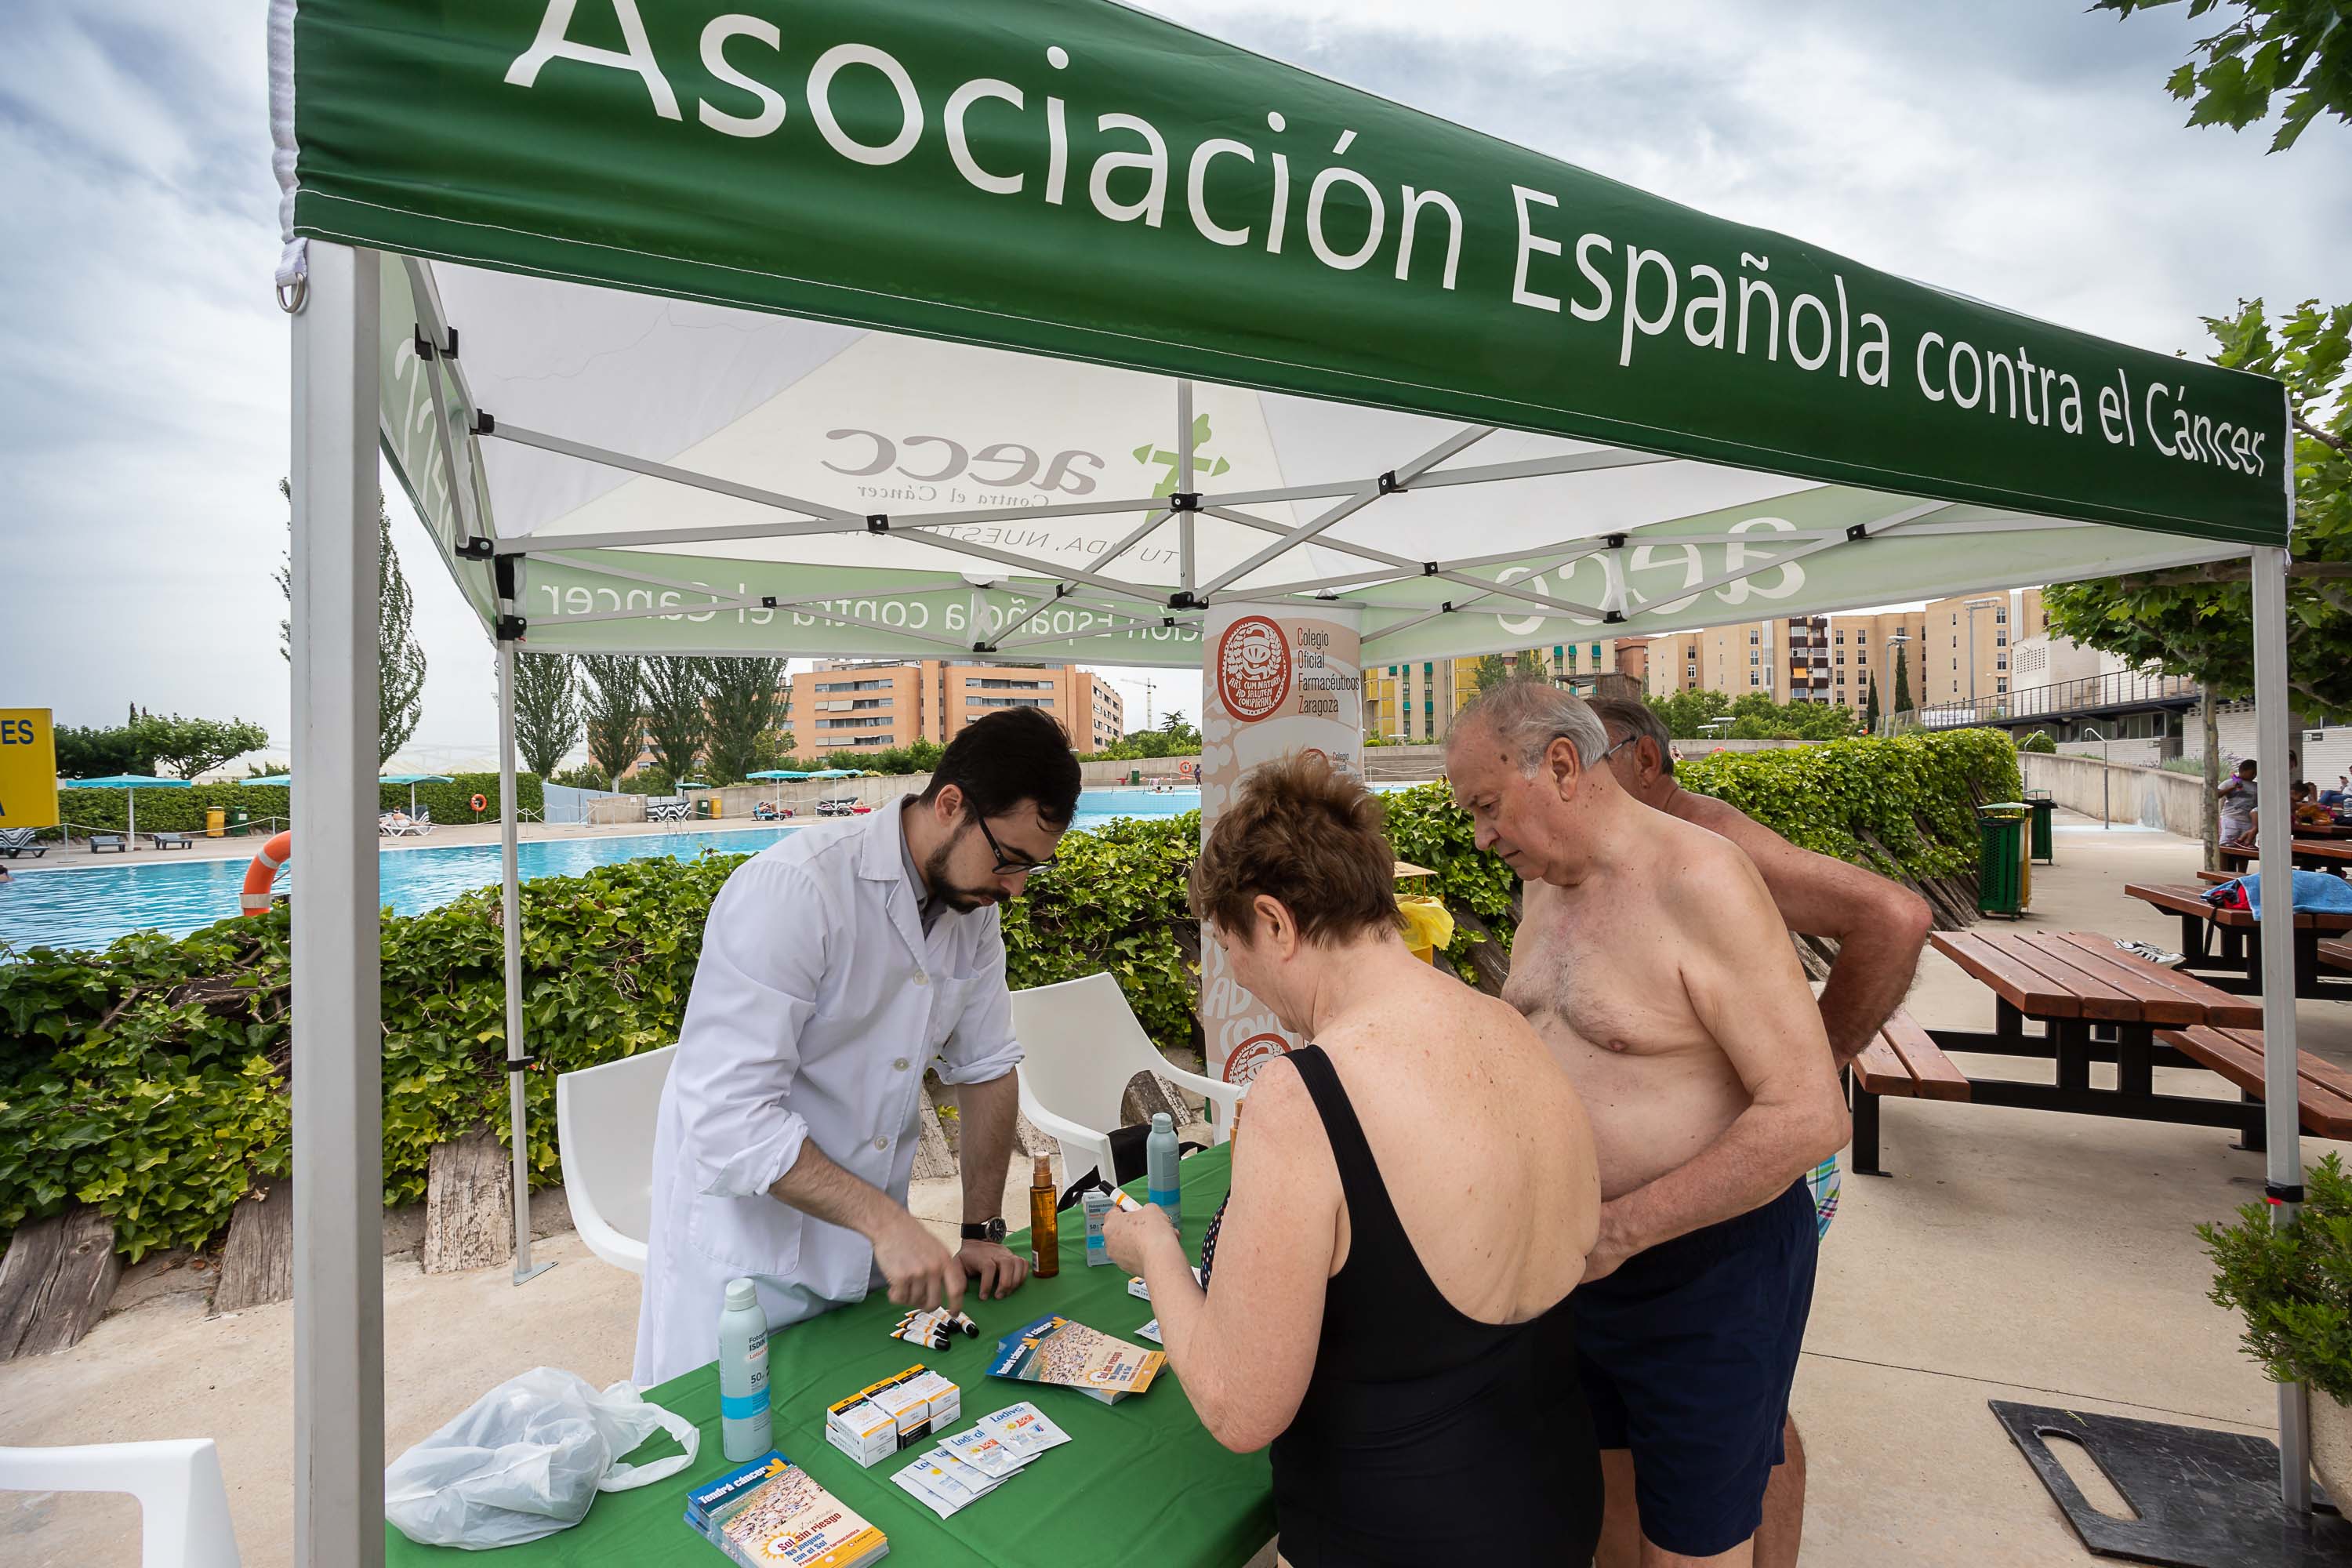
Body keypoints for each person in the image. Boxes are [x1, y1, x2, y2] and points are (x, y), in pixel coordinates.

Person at [1102, 753, 1605, 1566]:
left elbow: (1239, 1408)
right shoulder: (1510, 1027)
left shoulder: (1304, 1096)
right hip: (1555, 1504)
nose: (1238, 977)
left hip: (1395, 1535)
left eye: (1228, 946)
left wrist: (1156, 1249)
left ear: (1275, 922)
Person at [1446, 681, 1849, 1568]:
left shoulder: (1702, 879)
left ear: (1561, 765)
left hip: (1707, 1270)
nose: (1480, 836)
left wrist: (1624, 1228)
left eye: (1486, 805)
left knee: (1694, 1545)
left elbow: (1811, 1113)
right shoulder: (1545, 889)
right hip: (1582, 1266)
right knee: (1605, 1518)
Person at [633, 706, 1081, 1387]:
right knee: (732, 1440)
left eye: (1032, 870)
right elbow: (727, 1119)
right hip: (749, 1262)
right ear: (950, 805)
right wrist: (885, 1222)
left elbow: (986, 1068)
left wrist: (980, 1231)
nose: (1014, 889)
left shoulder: (971, 911)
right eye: (1009, 860)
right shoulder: (794, 891)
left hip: (868, 1257)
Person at [1588, 698, 1931, 1568]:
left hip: (1756, 1171)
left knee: (1753, 1417)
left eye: (1590, 756)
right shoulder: (1612, 852)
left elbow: (1894, 915)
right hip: (1680, 1201)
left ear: (1646, 761)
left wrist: (1825, 1054)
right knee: (1708, 1421)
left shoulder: (1709, 841)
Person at [2220, 758, 2258, 848]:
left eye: (2256, 773)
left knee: (2246, 848)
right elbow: (2216, 794)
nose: (2254, 775)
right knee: (2227, 846)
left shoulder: (2256, 786)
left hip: (2249, 822)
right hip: (2232, 819)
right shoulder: (2229, 783)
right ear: (2243, 771)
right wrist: (2232, 788)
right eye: (2252, 773)